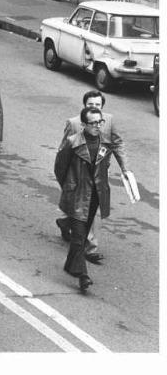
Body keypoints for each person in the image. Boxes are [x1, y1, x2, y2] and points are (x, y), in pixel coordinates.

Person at [55, 90, 130, 264]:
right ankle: (78, 246)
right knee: (81, 210)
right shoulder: (74, 124)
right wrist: (67, 184)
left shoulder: (109, 121)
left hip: (99, 176)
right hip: (79, 178)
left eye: (98, 105)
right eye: (91, 105)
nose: (94, 107)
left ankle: (89, 247)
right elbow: (63, 155)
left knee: (91, 212)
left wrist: (125, 168)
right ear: (84, 107)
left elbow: (118, 144)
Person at [54, 107, 113, 292]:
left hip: (94, 196)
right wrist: (70, 188)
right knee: (79, 237)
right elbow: (60, 168)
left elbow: (104, 167)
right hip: (77, 196)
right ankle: (83, 276)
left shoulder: (105, 142)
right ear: (84, 125)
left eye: (99, 122)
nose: (97, 126)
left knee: (82, 234)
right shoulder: (73, 142)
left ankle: (71, 265)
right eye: (93, 123)